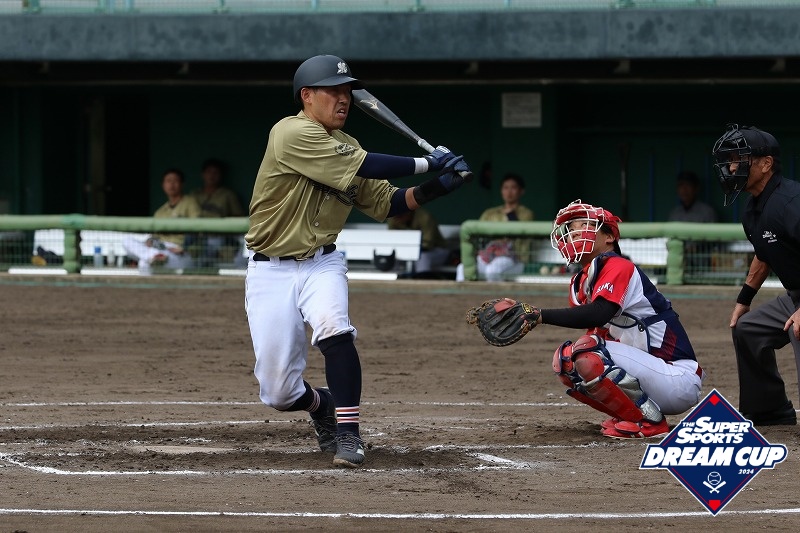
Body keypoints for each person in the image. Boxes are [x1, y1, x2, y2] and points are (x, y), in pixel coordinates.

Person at [244, 54, 472, 468]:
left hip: (322, 263)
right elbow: (366, 164)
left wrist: (440, 185)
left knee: (334, 330)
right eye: (333, 91)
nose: (344, 98)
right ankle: (322, 405)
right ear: (307, 95)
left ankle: (348, 433)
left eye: (347, 91)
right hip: (270, 268)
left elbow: (389, 203)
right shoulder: (290, 131)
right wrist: (428, 162)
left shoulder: (348, 145)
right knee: (278, 392)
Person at [513, 199, 703, 438]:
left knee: (587, 351)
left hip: (676, 377)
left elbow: (600, 312)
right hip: (651, 374)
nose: (575, 232)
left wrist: (541, 315)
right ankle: (631, 414)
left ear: (609, 237)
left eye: (584, 225)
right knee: (566, 360)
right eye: (571, 228)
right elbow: (595, 327)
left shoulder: (618, 266)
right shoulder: (582, 281)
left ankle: (651, 422)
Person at [712, 123, 799, 426]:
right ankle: (770, 410)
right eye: (730, 160)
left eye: (740, 159)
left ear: (766, 164)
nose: (732, 167)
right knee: (748, 329)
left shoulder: (792, 202)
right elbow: (764, 255)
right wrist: (744, 300)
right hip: (794, 297)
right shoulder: (752, 210)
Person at [123, 168, 201, 275]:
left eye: (175, 181)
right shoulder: (160, 212)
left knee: (144, 263)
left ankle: (153, 257)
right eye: (168, 181)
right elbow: (154, 236)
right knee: (127, 241)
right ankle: (153, 256)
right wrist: (150, 241)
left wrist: (184, 247)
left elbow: (198, 228)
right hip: (161, 248)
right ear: (163, 185)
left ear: (182, 184)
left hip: (180, 253)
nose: (172, 184)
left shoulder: (190, 203)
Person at [476, 172, 534, 281]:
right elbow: (478, 234)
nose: (509, 192)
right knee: (462, 268)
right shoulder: (490, 213)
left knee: (492, 270)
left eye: (513, 188)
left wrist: (511, 215)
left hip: (515, 258)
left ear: (521, 191)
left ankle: (494, 294)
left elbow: (519, 231)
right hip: (490, 254)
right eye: (505, 188)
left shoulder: (526, 213)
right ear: (501, 191)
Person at [190, 158, 246, 266]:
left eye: (215, 173)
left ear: (220, 175)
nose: (212, 176)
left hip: (218, 235)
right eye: (209, 172)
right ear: (203, 174)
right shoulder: (194, 194)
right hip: (196, 235)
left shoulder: (227, 195)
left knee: (212, 246)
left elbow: (238, 217)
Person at [387, 207, 453, 277]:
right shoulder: (393, 219)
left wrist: (409, 250)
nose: (397, 219)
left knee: (422, 258)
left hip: (436, 250)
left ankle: (422, 280)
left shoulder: (424, 217)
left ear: (408, 212)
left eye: (400, 216)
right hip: (408, 252)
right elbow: (392, 240)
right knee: (392, 258)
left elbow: (428, 244)